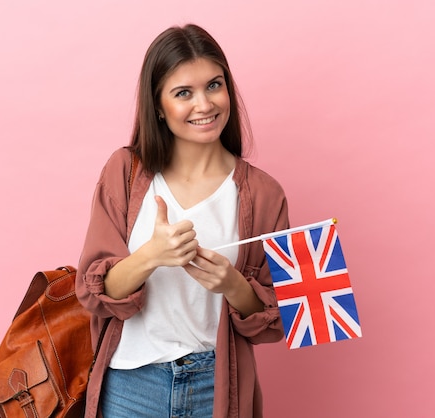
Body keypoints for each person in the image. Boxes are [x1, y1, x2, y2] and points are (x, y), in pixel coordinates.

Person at [76, 23, 289, 418]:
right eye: (183, 93)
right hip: (129, 387)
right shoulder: (125, 171)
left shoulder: (264, 194)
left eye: (214, 85)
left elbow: (277, 319)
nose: (204, 105)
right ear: (158, 105)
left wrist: (233, 284)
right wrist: (151, 256)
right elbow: (92, 293)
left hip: (217, 388)